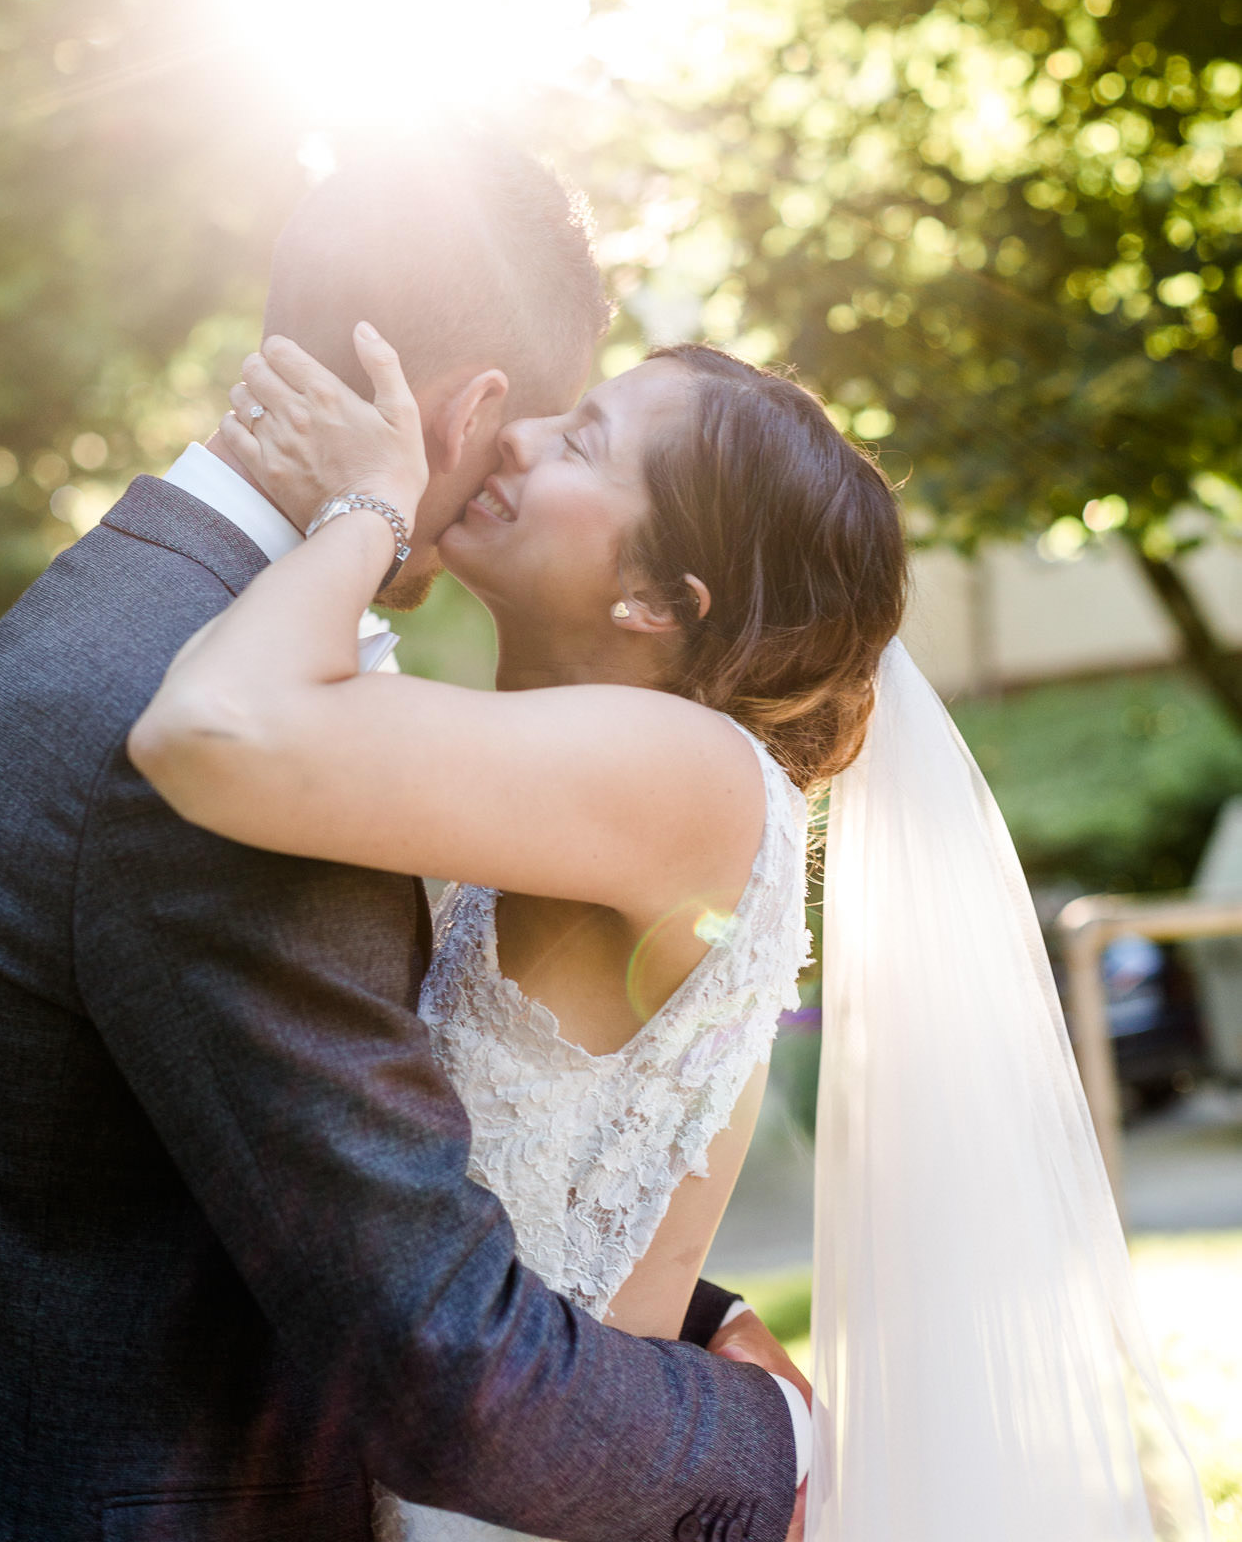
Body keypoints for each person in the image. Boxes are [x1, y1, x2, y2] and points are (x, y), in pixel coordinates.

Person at [134, 318, 1210, 1542]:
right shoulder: (582, 776)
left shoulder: (691, 771)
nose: (523, 433)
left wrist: (371, 507)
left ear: (656, 598)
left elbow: (209, 729)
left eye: (582, 439)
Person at [0, 135, 806, 1542]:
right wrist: (770, 1442)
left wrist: (675, 1302)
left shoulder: (104, 616)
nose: (520, 468)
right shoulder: (218, 741)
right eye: (549, 426)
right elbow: (432, 1358)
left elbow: (330, 1156)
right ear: (478, 409)